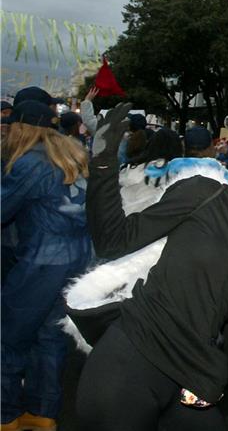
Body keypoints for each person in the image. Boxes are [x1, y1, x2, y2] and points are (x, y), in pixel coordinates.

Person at [74, 103, 228, 430]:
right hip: (132, 359)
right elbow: (113, 241)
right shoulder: (202, 193)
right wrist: (105, 159)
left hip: (192, 376)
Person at [1, 101, 92, 431]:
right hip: (79, 259)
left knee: (8, 337)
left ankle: (6, 415)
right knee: (50, 338)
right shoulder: (74, 154)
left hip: (42, 261)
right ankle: (42, 413)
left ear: (22, 128)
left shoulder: (29, 162)